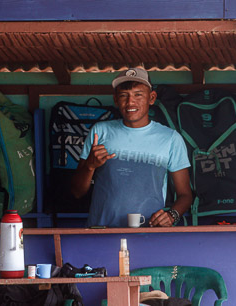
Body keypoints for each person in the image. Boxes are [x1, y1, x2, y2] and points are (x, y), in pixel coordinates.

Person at [71, 67, 193, 227]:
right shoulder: (100, 132)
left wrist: (172, 215)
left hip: (149, 232)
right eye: (124, 96)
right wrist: (89, 166)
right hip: (101, 231)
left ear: (152, 98)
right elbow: (77, 192)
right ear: (115, 99)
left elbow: (185, 195)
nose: (130, 102)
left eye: (138, 95)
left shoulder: (170, 138)